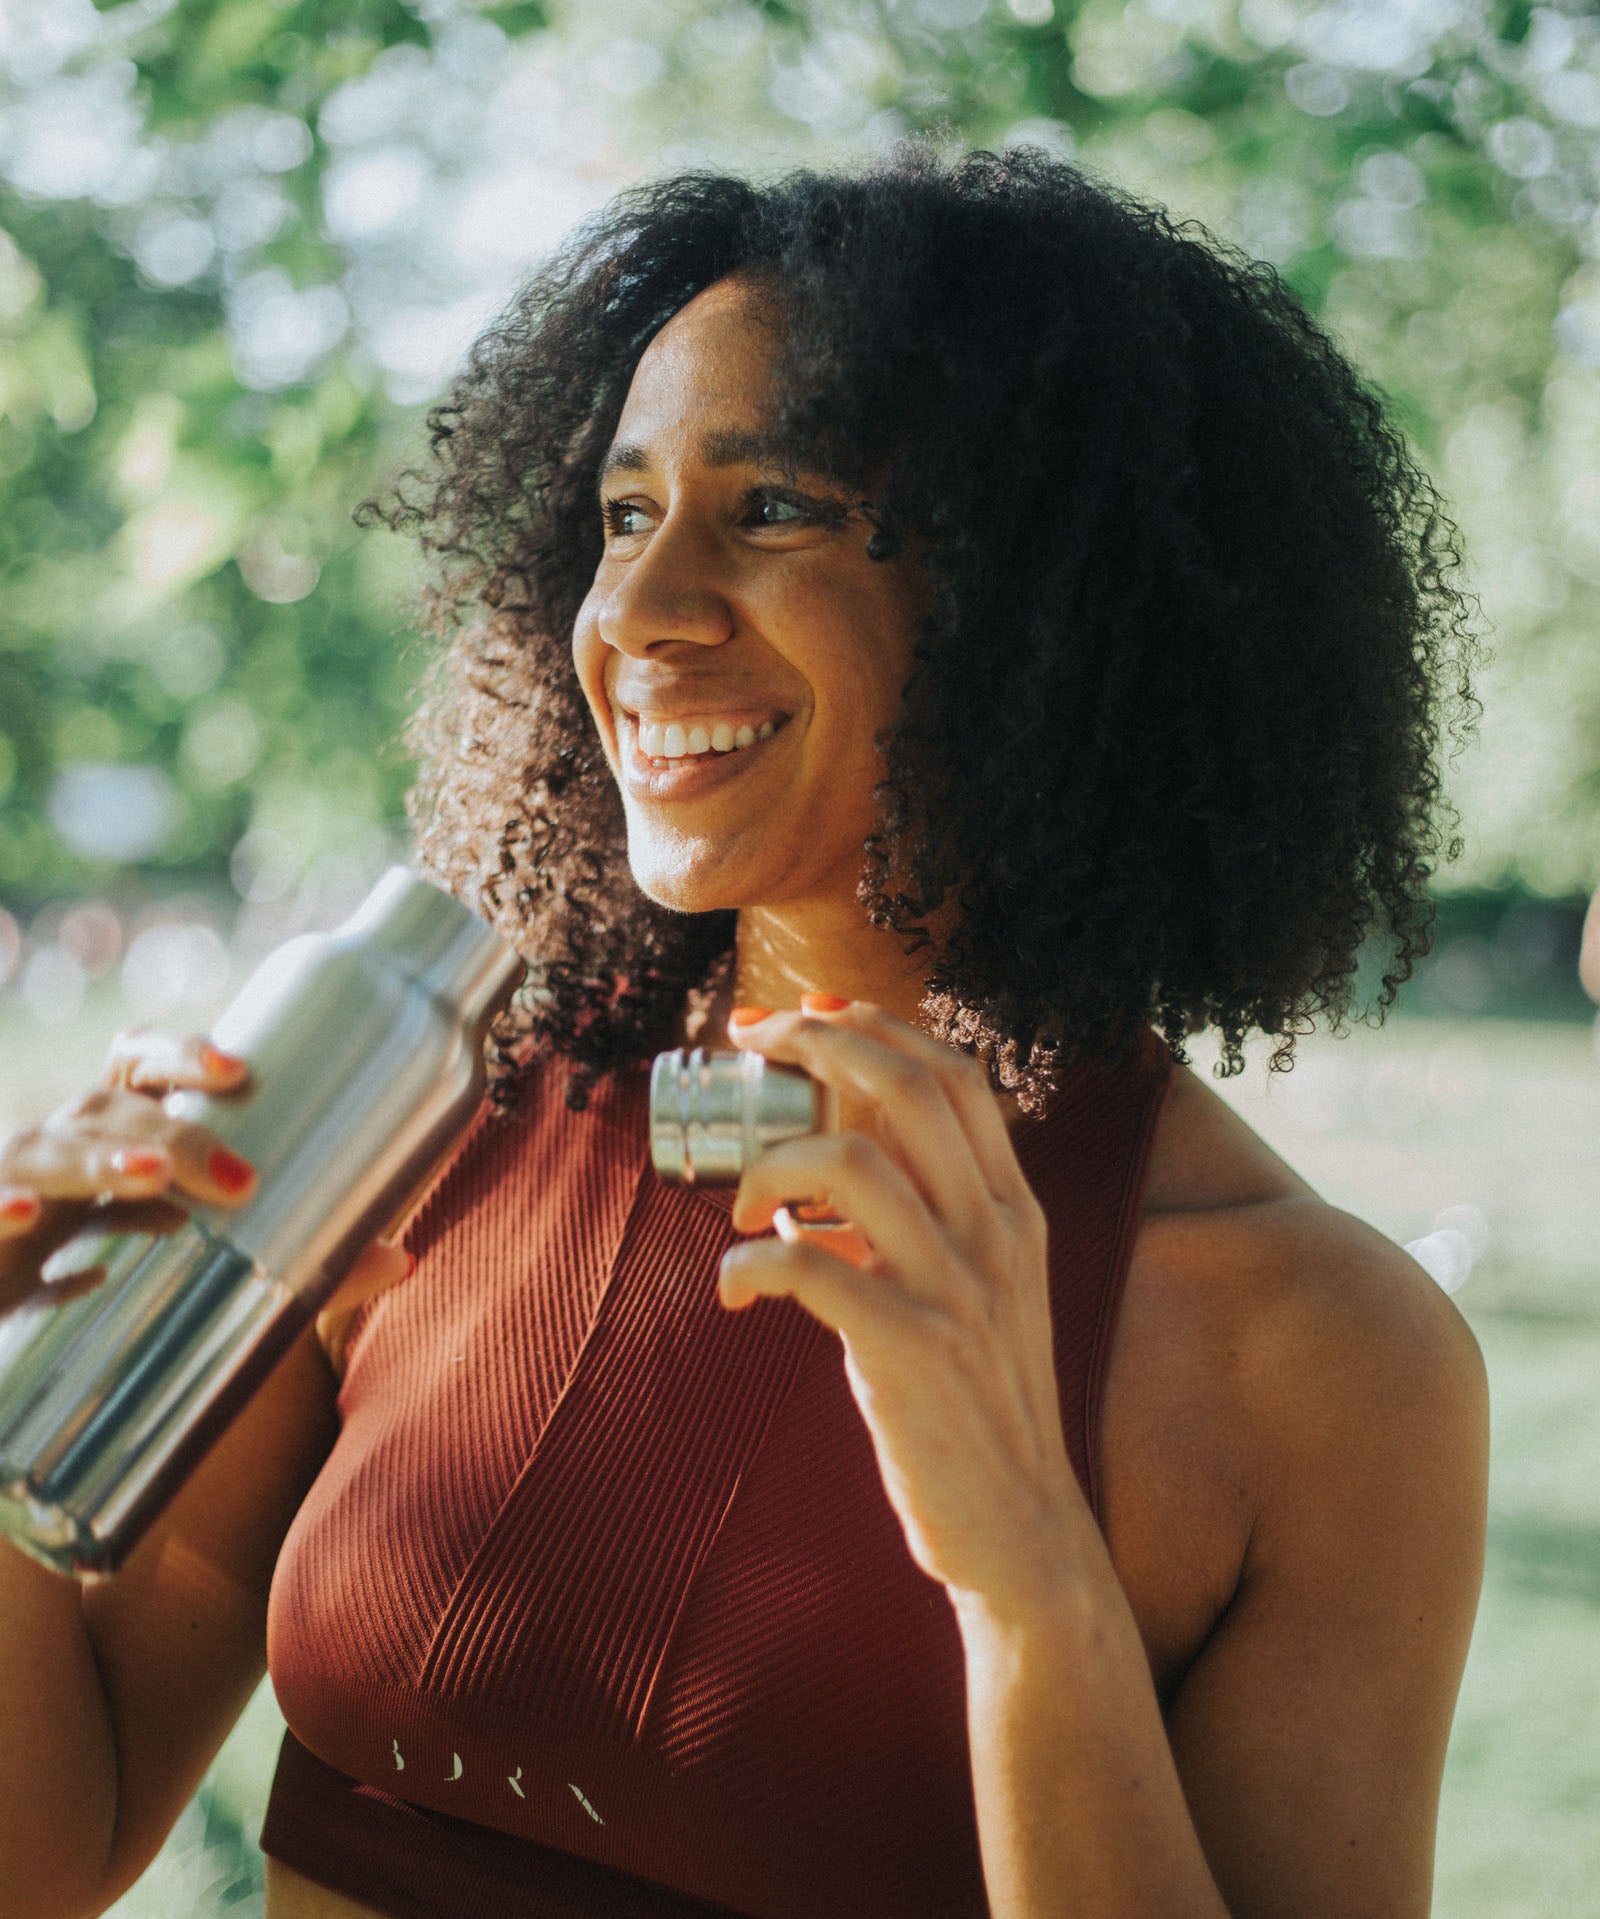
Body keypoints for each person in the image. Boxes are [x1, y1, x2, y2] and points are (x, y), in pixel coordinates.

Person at [0, 148, 1488, 1919]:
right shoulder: (416, 1116)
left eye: (773, 506)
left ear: (1045, 599)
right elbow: (46, 1848)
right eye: (626, 515)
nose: (637, 612)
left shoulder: (1322, 1359)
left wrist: (1027, 1575)